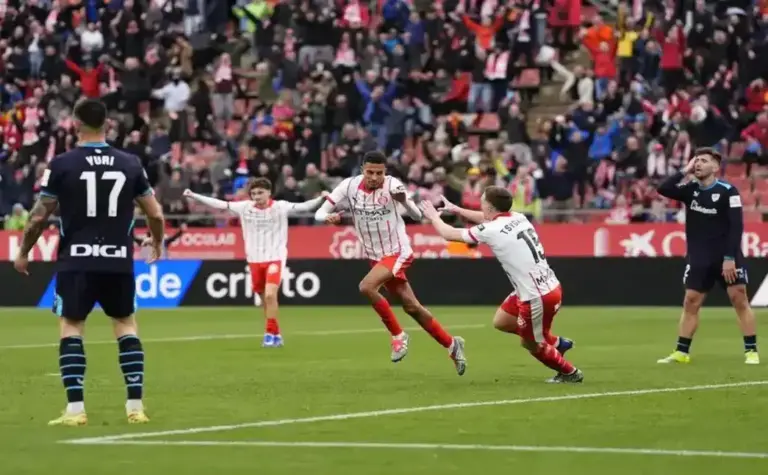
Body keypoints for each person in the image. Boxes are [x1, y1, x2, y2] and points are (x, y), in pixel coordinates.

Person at [13, 99, 165, 426]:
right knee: (125, 325)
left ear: (75, 123)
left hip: (76, 261)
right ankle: (135, 407)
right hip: (117, 259)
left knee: (71, 328)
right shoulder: (129, 162)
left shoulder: (63, 163)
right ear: (107, 124)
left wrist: (25, 250)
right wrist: (157, 241)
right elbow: (155, 212)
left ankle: (75, 410)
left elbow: (40, 216)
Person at [314, 151, 467, 376]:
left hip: (398, 251)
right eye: (370, 172)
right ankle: (452, 345)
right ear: (362, 170)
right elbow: (319, 212)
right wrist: (327, 217)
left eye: (379, 173)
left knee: (366, 287)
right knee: (412, 307)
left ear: (385, 172)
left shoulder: (393, 185)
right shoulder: (348, 187)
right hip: (375, 255)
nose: (375, 177)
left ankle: (398, 335)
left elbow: (416, 216)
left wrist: (403, 200)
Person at [420, 188, 583, 383]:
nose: (480, 204)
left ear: (489, 206)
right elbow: (487, 219)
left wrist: (433, 217)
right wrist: (457, 209)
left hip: (536, 296)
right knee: (502, 321)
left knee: (530, 343)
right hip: (544, 286)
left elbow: (449, 234)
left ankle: (570, 373)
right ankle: (557, 344)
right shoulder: (518, 217)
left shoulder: (492, 229)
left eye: (482, 201)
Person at [184, 178, 328, 347]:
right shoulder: (244, 207)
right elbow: (220, 204)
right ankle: (276, 334)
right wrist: (194, 196)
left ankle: (269, 333)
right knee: (264, 300)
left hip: (275, 257)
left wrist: (321, 198)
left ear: (269, 192)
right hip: (254, 259)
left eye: (260, 193)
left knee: (270, 294)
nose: (256, 196)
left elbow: (304, 207)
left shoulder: (280, 207)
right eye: (253, 193)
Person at [656, 148, 759, 365]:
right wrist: (684, 170)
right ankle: (681, 352)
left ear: (715, 167)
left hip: (726, 256)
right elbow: (663, 188)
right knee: (690, 302)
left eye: (703, 161)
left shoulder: (728, 191)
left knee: (739, 299)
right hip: (699, 258)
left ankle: (751, 350)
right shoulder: (690, 189)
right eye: (696, 160)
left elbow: (736, 226)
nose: (698, 164)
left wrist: (730, 257)